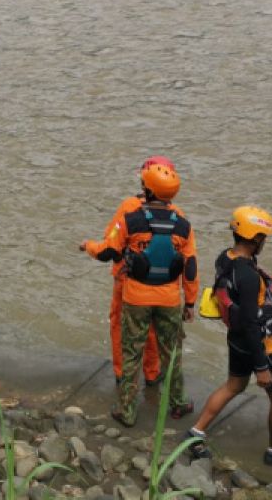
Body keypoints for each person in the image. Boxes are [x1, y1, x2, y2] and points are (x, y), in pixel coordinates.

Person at [187, 206, 272, 467]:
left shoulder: (225, 258)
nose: (265, 242)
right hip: (258, 345)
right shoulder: (248, 277)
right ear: (255, 238)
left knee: (234, 385)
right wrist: (262, 367)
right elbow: (252, 323)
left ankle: (196, 433)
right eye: (263, 237)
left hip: (235, 339)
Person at [80, 162, 198, 426]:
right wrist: (190, 301)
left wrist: (87, 246)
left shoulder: (130, 217)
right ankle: (178, 403)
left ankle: (127, 410)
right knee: (173, 353)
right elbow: (190, 267)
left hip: (135, 296)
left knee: (131, 351)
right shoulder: (184, 225)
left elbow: (108, 251)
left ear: (147, 187)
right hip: (169, 299)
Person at [108, 156, 175, 387]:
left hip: (127, 280)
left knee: (121, 327)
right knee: (153, 331)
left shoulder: (129, 207)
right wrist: (189, 302)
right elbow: (188, 258)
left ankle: (122, 374)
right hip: (163, 286)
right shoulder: (177, 214)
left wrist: (88, 246)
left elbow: (111, 244)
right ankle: (152, 373)